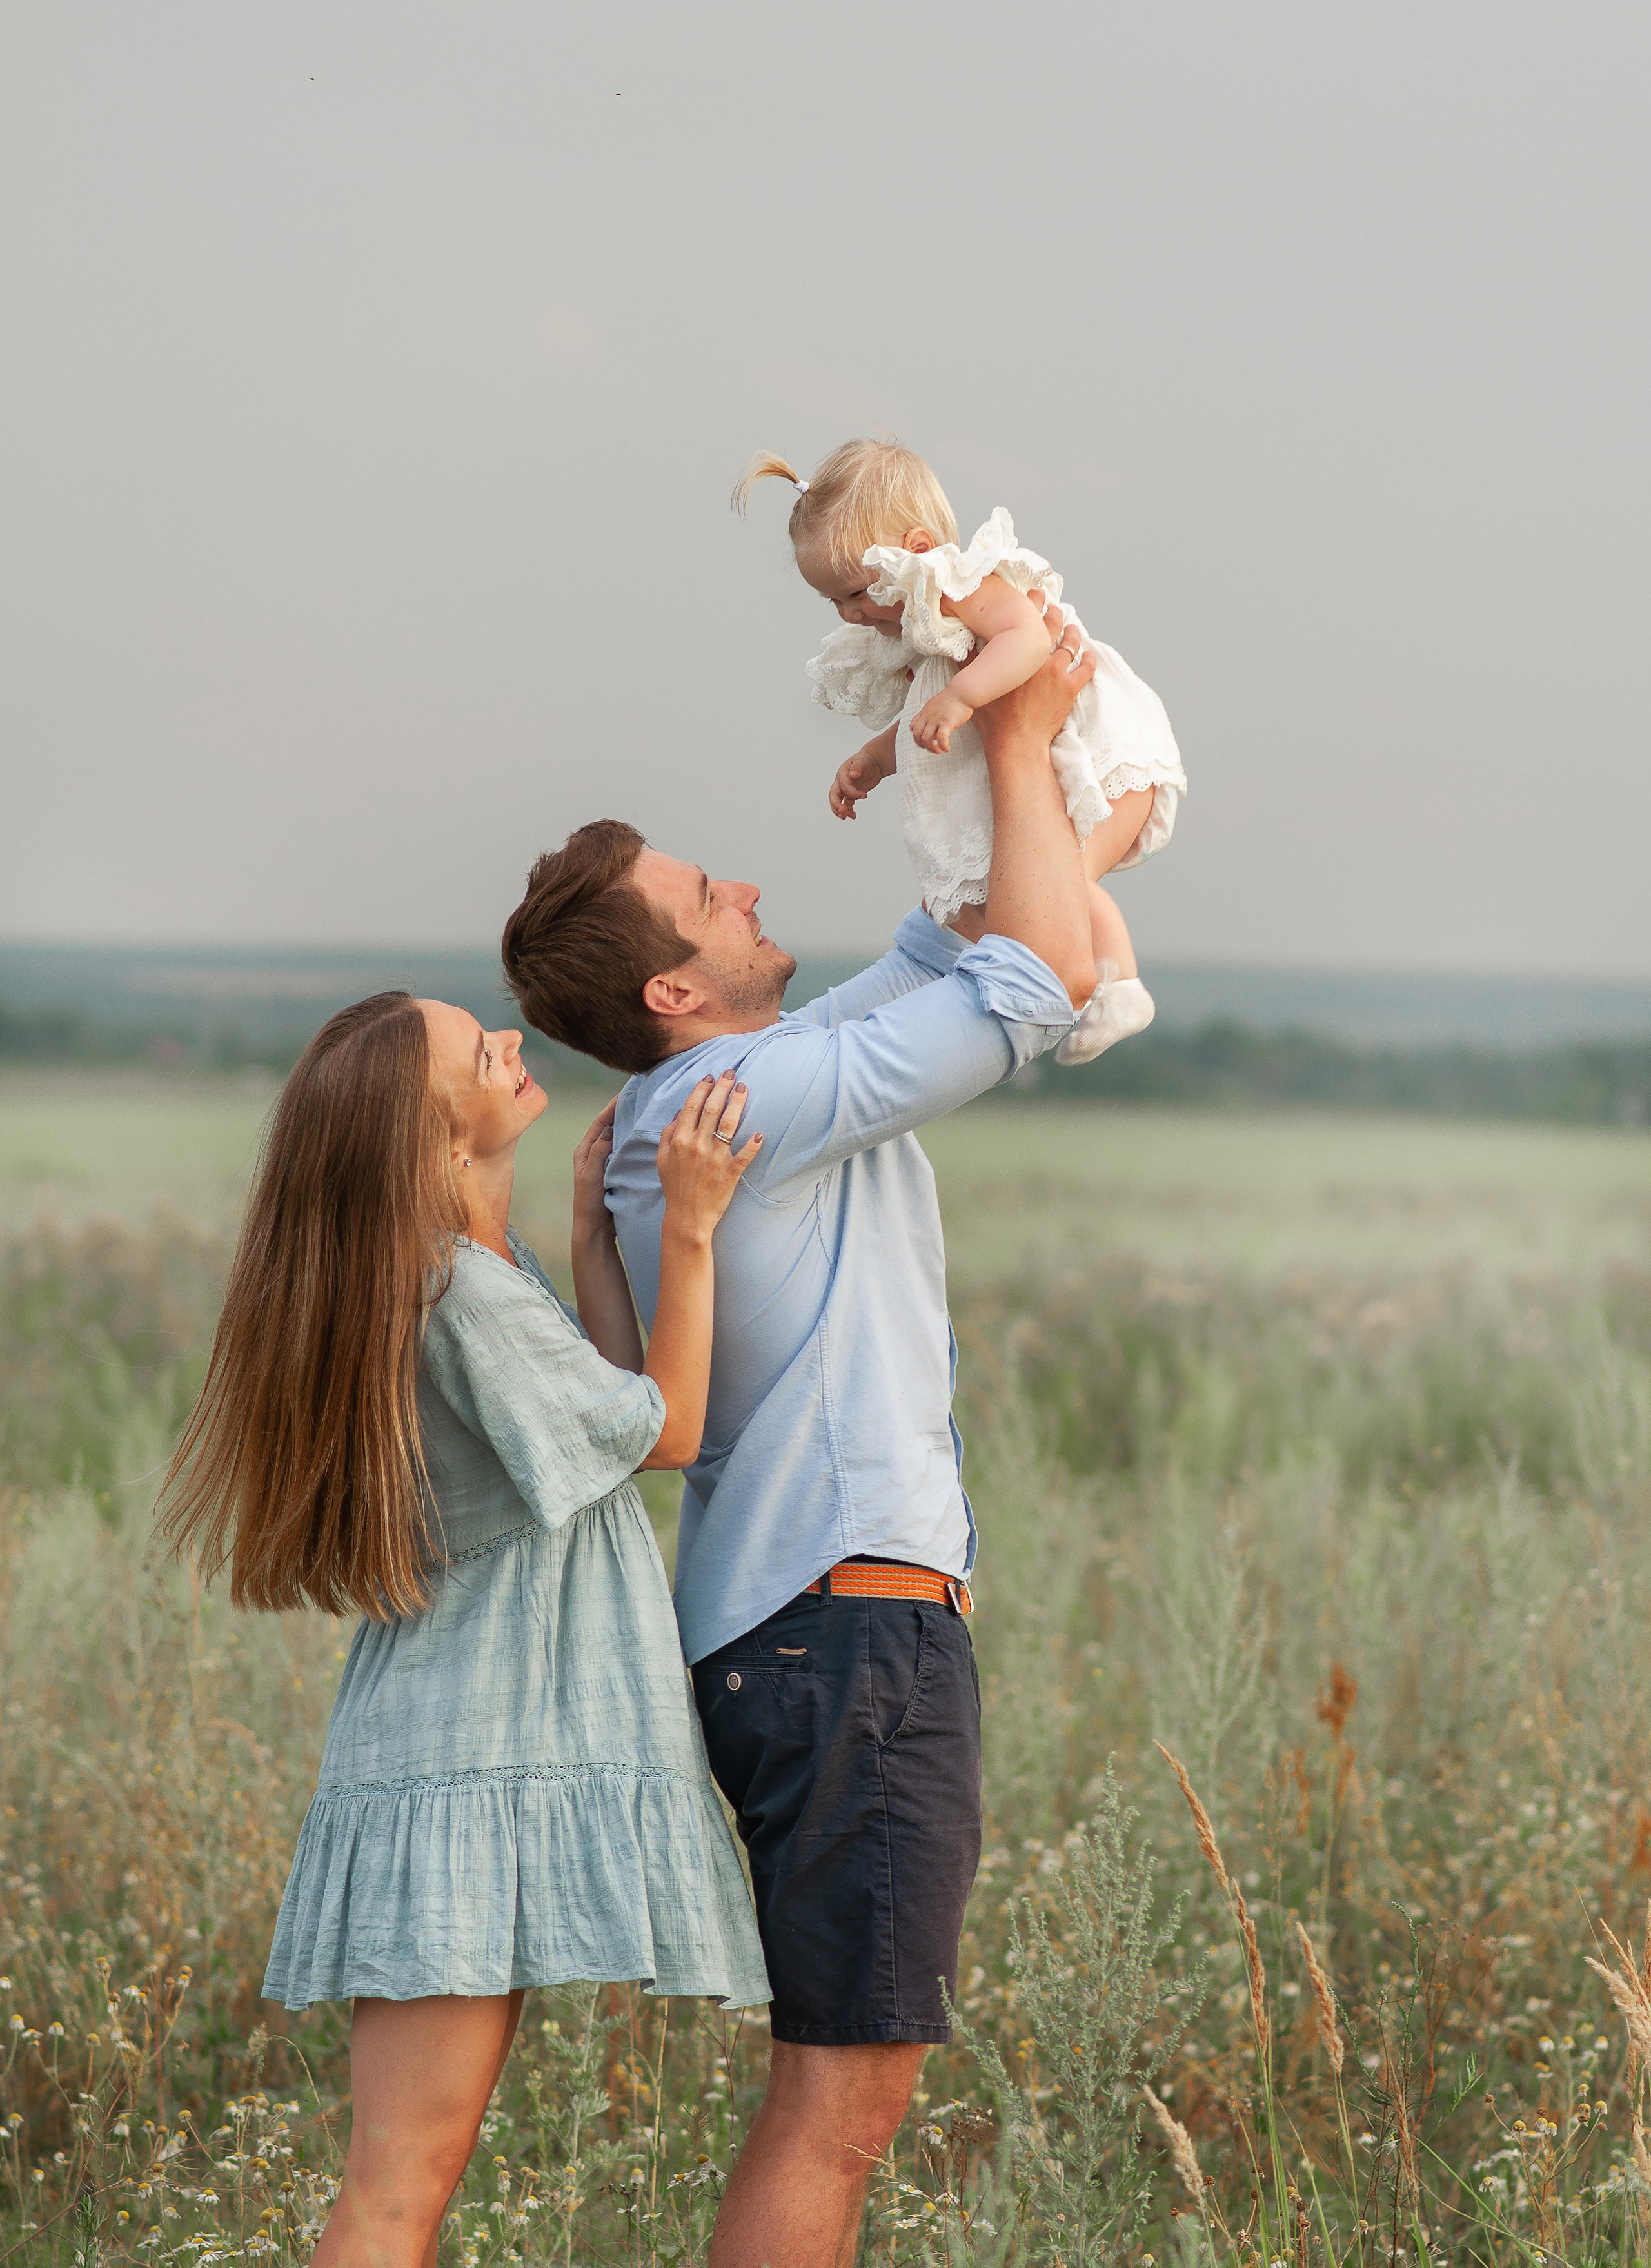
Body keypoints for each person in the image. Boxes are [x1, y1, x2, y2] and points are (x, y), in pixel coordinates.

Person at [500, 623, 1099, 2268]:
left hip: (797, 1633)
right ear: (673, 992)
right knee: (840, 2101)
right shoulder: (754, 1103)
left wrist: (1021, 743)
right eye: (711, 896)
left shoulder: (707, 1100)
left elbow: (968, 932)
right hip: (849, 1630)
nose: (749, 886)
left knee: (837, 2086)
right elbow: (1031, 983)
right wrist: (1026, 724)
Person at [157, 993, 770, 2268]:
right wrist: (694, 1231)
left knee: (405, 2189)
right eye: (471, 1050)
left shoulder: (475, 1272)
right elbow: (662, 1433)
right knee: (394, 2195)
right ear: (434, 1140)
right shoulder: (455, 1290)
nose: (504, 1038)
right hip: (462, 1765)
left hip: (464, 1747)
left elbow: (598, 1418)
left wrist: (594, 1245)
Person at [738, 437, 1187, 1063]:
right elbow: (927, 715)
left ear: (917, 551)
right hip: (1036, 755)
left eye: (859, 591)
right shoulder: (919, 625)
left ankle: (1119, 984)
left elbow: (1027, 639)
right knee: (975, 908)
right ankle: (1088, 983)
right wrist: (875, 757)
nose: (852, 612)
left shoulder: (960, 583)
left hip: (1093, 749)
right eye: (834, 601)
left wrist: (964, 698)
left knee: (1054, 879)